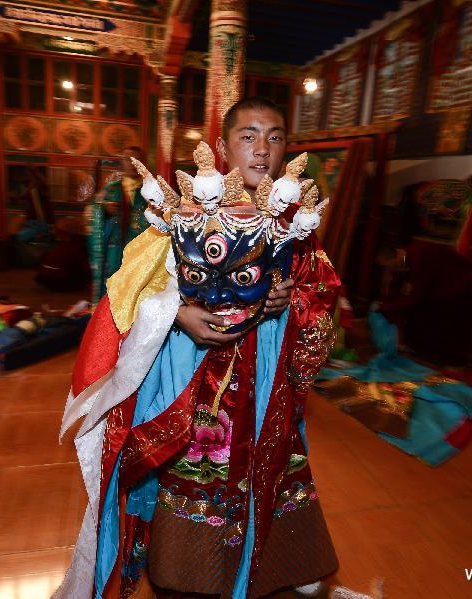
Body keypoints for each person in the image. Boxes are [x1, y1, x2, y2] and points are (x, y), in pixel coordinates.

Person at [57, 97, 339, 599]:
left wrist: (291, 297)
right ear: (225, 146)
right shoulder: (187, 212)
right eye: (248, 136)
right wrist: (180, 314)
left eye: (274, 137)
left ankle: (280, 561)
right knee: (200, 462)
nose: (262, 149)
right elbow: (130, 288)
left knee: (276, 458)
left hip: (268, 370)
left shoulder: (296, 220)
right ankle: (191, 568)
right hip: (198, 373)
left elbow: (321, 287)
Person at [87, 146, 151, 303]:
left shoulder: (150, 190)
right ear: (121, 162)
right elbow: (94, 210)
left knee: (137, 287)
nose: (131, 163)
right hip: (115, 247)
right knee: (113, 285)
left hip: (140, 249)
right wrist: (104, 209)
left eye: (136, 160)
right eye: (127, 159)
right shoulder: (110, 189)